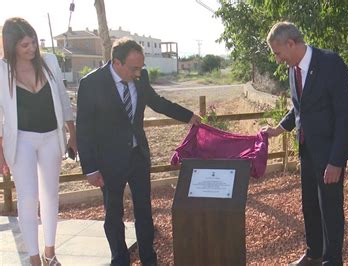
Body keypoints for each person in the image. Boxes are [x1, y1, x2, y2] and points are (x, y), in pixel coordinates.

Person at [76, 38, 200, 266]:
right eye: (134, 68)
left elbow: (157, 102)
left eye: (141, 67)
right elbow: (83, 129)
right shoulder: (91, 83)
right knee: (113, 215)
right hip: (109, 162)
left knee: (144, 212)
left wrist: (188, 116)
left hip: (138, 157)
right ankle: (120, 260)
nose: (139, 72)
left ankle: (148, 258)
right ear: (116, 62)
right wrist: (90, 168)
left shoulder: (140, 77)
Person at [263, 21, 348, 265]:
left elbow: (344, 114)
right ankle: (314, 253)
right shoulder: (293, 69)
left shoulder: (331, 63)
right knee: (310, 205)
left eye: (278, 52)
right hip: (307, 150)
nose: (277, 59)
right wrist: (278, 129)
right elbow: (299, 108)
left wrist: (336, 161)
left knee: (331, 208)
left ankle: (332, 260)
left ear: (291, 43)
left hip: (330, 152)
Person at [0, 17, 77, 266]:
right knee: (27, 197)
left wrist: (72, 132)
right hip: (20, 140)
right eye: (24, 45)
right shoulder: (1, 70)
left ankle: (50, 252)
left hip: (51, 138)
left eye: (33, 42)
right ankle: (34, 258)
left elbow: (63, 99)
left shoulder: (50, 62)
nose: (31, 48)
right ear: (11, 45)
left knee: (51, 194)